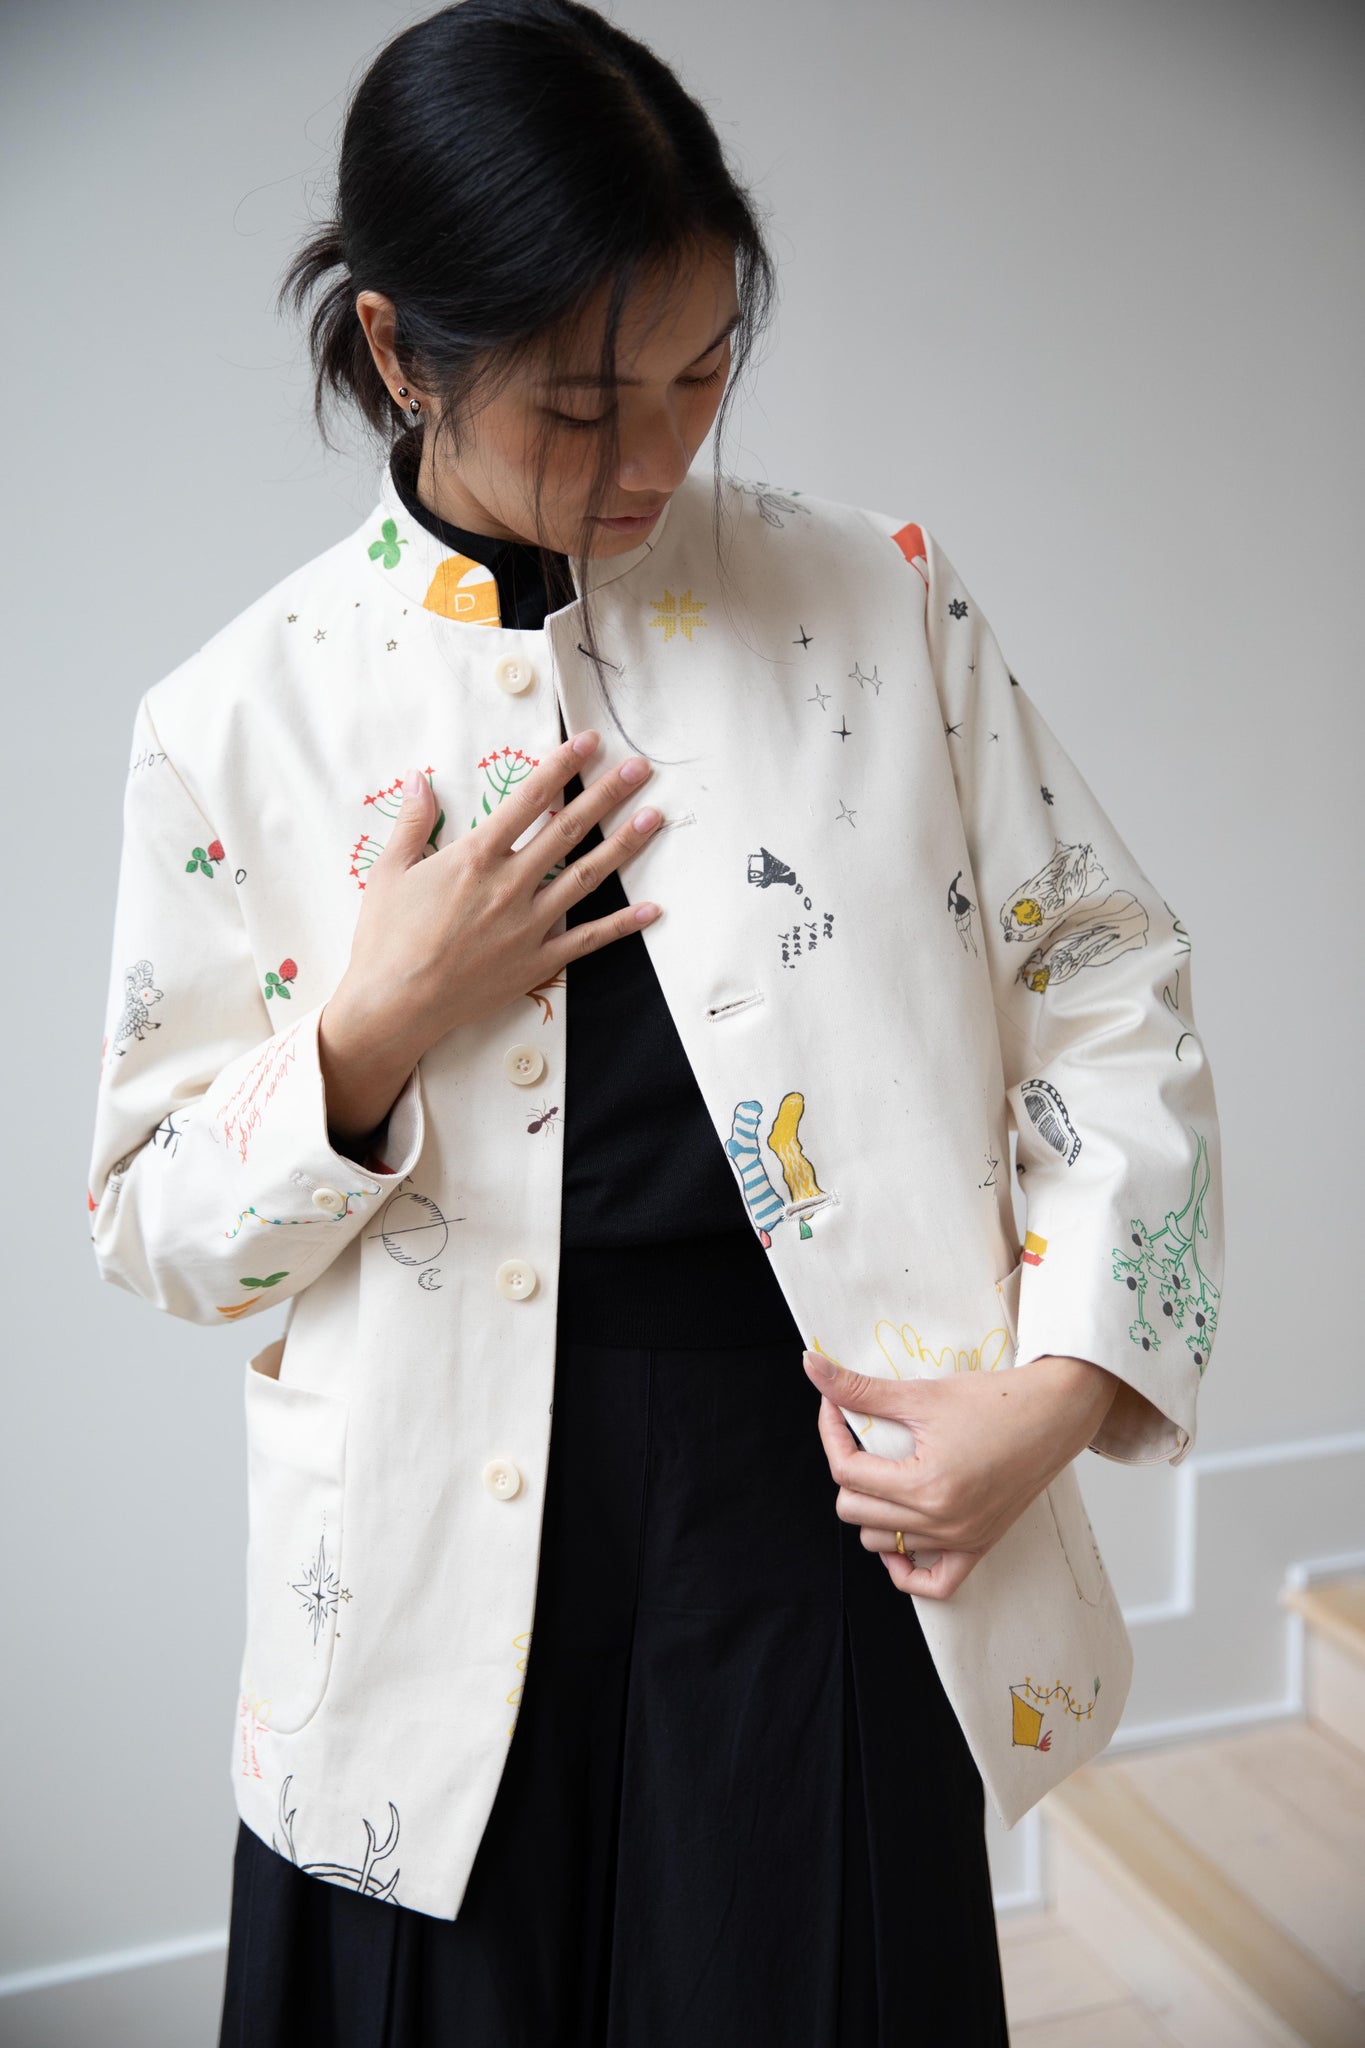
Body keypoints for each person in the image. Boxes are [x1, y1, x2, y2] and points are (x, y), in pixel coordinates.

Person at [86, 2, 1222, 2043]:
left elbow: (1109, 989)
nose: (653, 461)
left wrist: (1056, 1391)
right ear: (398, 352)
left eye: (701, 375)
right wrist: (370, 1026)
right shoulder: (237, 719)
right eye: (581, 406)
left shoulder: (874, 599)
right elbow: (156, 1232)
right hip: (416, 1563)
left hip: (814, 1512)